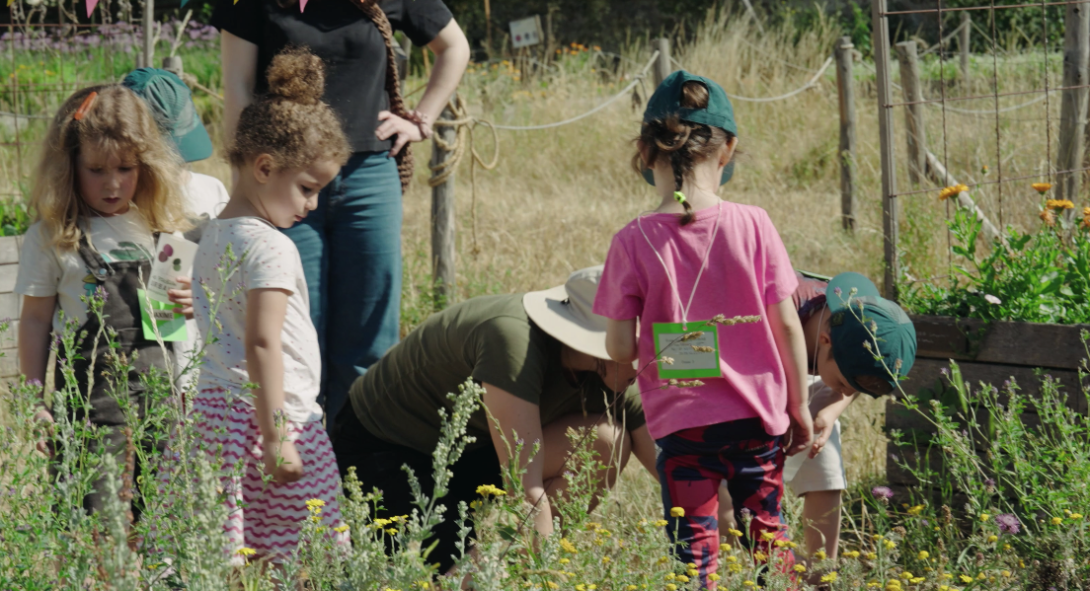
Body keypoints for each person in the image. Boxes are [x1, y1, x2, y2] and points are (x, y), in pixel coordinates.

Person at [594, 70, 813, 587]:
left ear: (645, 153)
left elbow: (620, 347)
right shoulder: (755, 223)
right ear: (728, 149)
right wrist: (800, 405)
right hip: (757, 422)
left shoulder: (631, 240)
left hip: (682, 426)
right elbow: (787, 325)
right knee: (768, 534)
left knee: (693, 551)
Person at [215, 0, 471, 426]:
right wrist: (246, 185)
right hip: (282, 180)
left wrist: (420, 120)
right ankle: (294, 450)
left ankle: (358, 457)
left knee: (369, 340)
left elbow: (454, 46)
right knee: (293, 332)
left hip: (370, 176)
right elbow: (237, 91)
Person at [331, 266, 657, 574]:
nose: (650, 361)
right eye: (642, 346)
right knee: (429, 574)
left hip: (473, 453)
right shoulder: (513, 339)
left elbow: (670, 461)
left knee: (606, 441)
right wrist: (544, 573)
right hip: (387, 450)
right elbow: (525, 490)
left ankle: (490, 571)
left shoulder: (615, 371)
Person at [188, 48, 352, 563]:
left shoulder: (214, 235)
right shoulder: (271, 246)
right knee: (305, 558)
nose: (312, 204)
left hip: (217, 420)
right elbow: (262, 342)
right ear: (264, 167)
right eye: (307, 188)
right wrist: (279, 437)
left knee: (233, 558)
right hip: (273, 420)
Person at [16, 84, 193, 518]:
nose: (112, 184)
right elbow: (35, 321)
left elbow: (173, 328)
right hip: (89, 412)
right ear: (69, 165)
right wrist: (34, 402)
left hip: (160, 407)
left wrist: (190, 306)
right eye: (96, 169)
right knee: (92, 520)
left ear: (146, 166)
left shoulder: (163, 230)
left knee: (166, 520)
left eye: (125, 168)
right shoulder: (52, 236)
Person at [718, 271, 917, 570]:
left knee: (825, 453)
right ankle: (779, 568)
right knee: (731, 498)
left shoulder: (857, 321)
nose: (847, 393)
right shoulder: (773, 316)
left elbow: (850, 381)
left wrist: (828, 411)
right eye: (845, 383)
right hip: (737, 377)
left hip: (797, 371)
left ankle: (823, 569)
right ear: (825, 340)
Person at [122, 67, 231, 391]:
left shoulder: (211, 192)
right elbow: (162, 316)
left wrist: (206, 295)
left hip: (212, 362)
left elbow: (233, 269)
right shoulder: (123, 206)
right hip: (148, 366)